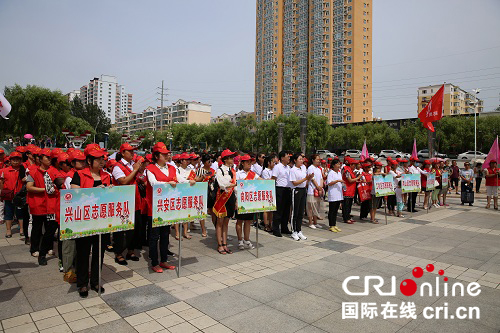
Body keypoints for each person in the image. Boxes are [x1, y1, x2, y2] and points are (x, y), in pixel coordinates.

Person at [70, 145, 109, 297]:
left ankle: (95, 281)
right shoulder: (79, 175)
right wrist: (95, 191)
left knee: (99, 252)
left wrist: (109, 189)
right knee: (83, 252)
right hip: (84, 221)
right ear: (89, 160)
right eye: (98, 159)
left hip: (102, 221)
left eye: (102, 159)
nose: (101, 161)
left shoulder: (106, 175)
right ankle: (82, 283)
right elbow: (75, 193)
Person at [26, 148, 64, 265]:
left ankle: (47, 248)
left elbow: (60, 183)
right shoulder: (33, 171)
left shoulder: (54, 171)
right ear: (40, 159)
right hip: (38, 204)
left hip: (52, 205)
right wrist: (45, 190)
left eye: (50, 158)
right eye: (47, 157)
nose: (49, 160)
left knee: (50, 229)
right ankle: (35, 249)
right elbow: (29, 187)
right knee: (37, 228)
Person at [145, 142, 178, 273]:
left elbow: (180, 179)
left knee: (165, 234)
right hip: (154, 207)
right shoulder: (150, 169)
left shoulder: (171, 168)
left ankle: (164, 260)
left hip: (167, 207)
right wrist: (167, 183)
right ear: (157, 156)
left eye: (168, 153)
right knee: (154, 236)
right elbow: (153, 183)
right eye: (164, 154)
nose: (167, 155)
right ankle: (154, 262)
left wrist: (191, 182)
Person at [112, 143, 143, 265]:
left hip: (135, 200)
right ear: (123, 153)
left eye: (133, 151)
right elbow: (123, 181)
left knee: (135, 228)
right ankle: (118, 253)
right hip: (122, 201)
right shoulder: (117, 167)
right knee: (121, 229)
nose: (132, 153)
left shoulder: (133, 164)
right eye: (129, 151)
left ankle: (131, 250)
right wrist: (135, 170)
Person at [213, 149, 237, 254]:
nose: (233, 159)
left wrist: (236, 200)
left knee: (226, 222)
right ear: (225, 159)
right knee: (220, 222)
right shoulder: (220, 170)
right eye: (231, 158)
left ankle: (225, 243)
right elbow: (222, 184)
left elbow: (234, 187)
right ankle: (219, 244)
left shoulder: (233, 171)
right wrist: (233, 184)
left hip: (231, 197)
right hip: (222, 198)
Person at [235, 154, 259, 249]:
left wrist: (268, 182)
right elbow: (236, 188)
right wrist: (236, 200)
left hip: (250, 200)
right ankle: (240, 240)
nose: (249, 164)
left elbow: (261, 180)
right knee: (239, 221)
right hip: (241, 200)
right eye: (247, 162)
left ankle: (247, 239)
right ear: (243, 163)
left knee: (248, 221)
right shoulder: (238, 174)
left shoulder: (253, 174)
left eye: (250, 162)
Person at [289, 153, 313, 241]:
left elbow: (305, 180)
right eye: (299, 159)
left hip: (303, 190)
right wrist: (305, 179)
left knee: (300, 212)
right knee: (295, 212)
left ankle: (299, 230)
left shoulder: (303, 168)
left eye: (302, 159)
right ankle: (293, 231)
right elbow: (294, 183)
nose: (302, 160)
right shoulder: (293, 170)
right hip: (296, 190)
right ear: (295, 160)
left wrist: (309, 178)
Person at [0, 151, 25, 238]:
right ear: (10, 161)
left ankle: (22, 229)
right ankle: (8, 230)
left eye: (17, 160)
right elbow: (1, 182)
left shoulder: (23, 170)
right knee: (9, 213)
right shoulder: (4, 171)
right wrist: (1, 193)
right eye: (13, 160)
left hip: (19, 195)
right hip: (9, 195)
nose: (15, 161)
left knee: (20, 213)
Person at [175, 153, 197, 239]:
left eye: (188, 160)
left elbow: (194, 179)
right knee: (177, 213)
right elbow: (178, 180)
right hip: (179, 194)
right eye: (186, 160)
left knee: (186, 213)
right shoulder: (177, 170)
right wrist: (187, 181)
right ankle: (177, 232)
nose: (188, 161)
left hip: (188, 194)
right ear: (181, 161)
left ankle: (185, 231)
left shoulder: (191, 170)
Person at [271, 151, 292, 237]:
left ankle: (284, 227)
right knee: (279, 210)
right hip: (280, 189)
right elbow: (273, 178)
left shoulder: (288, 168)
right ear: (282, 158)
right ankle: (275, 229)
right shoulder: (277, 167)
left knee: (286, 210)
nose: (289, 158)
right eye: (287, 156)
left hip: (287, 189)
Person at [195, 154, 215, 235]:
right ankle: (203, 229)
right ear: (204, 162)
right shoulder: (199, 170)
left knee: (213, 211)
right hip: (202, 191)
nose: (210, 163)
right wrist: (202, 178)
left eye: (211, 161)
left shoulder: (213, 170)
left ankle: (216, 227)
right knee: (202, 211)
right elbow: (196, 181)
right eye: (208, 161)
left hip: (212, 192)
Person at [306, 154, 324, 229]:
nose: (318, 160)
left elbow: (321, 179)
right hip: (312, 190)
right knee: (310, 207)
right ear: (313, 160)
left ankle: (315, 222)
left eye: (319, 159)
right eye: (317, 159)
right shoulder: (310, 168)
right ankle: (310, 222)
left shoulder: (319, 169)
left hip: (318, 190)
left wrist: (321, 187)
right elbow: (312, 179)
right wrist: (318, 187)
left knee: (316, 206)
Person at [342, 158, 361, 224]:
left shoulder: (351, 171)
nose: (355, 166)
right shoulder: (347, 171)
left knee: (349, 205)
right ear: (350, 165)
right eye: (354, 165)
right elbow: (349, 180)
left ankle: (349, 217)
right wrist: (357, 178)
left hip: (351, 191)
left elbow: (353, 179)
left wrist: (357, 179)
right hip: (347, 191)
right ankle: (346, 218)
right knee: (346, 206)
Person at [326, 159, 344, 232]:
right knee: (332, 210)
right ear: (333, 165)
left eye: (339, 164)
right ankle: (331, 225)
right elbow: (329, 183)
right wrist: (337, 181)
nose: (339, 165)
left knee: (336, 211)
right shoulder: (331, 173)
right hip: (333, 194)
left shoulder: (339, 173)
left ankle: (334, 224)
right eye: (337, 164)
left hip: (338, 194)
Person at [261, 155, 275, 232]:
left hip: (272, 191)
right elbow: (267, 181)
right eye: (273, 162)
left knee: (271, 209)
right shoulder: (265, 171)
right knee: (266, 209)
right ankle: (266, 224)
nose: (274, 164)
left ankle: (270, 223)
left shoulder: (273, 170)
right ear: (269, 163)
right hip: (266, 191)